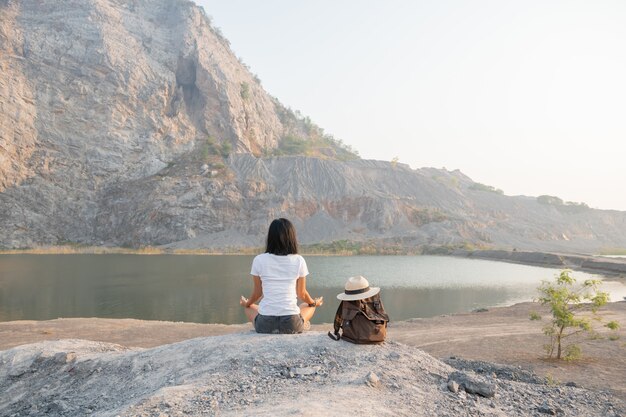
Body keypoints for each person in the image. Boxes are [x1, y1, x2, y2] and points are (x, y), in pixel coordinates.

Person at [239, 218, 323, 334]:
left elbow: (257, 294)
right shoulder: (298, 260)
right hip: (291, 324)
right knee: (307, 305)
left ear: (270, 237)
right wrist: (314, 303)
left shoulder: (259, 260)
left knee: (250, 307)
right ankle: (302, 323)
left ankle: (265, 321)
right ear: (291, 237)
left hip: (265, 325)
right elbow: (302, 294)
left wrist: (246, 303)